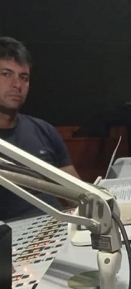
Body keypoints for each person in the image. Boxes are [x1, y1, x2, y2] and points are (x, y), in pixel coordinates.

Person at [0, 37, 79, 221]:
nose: (17, 85)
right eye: (6, 74)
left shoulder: (44, 130)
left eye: (24, 77)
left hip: (59, 228)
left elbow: (77, 195)